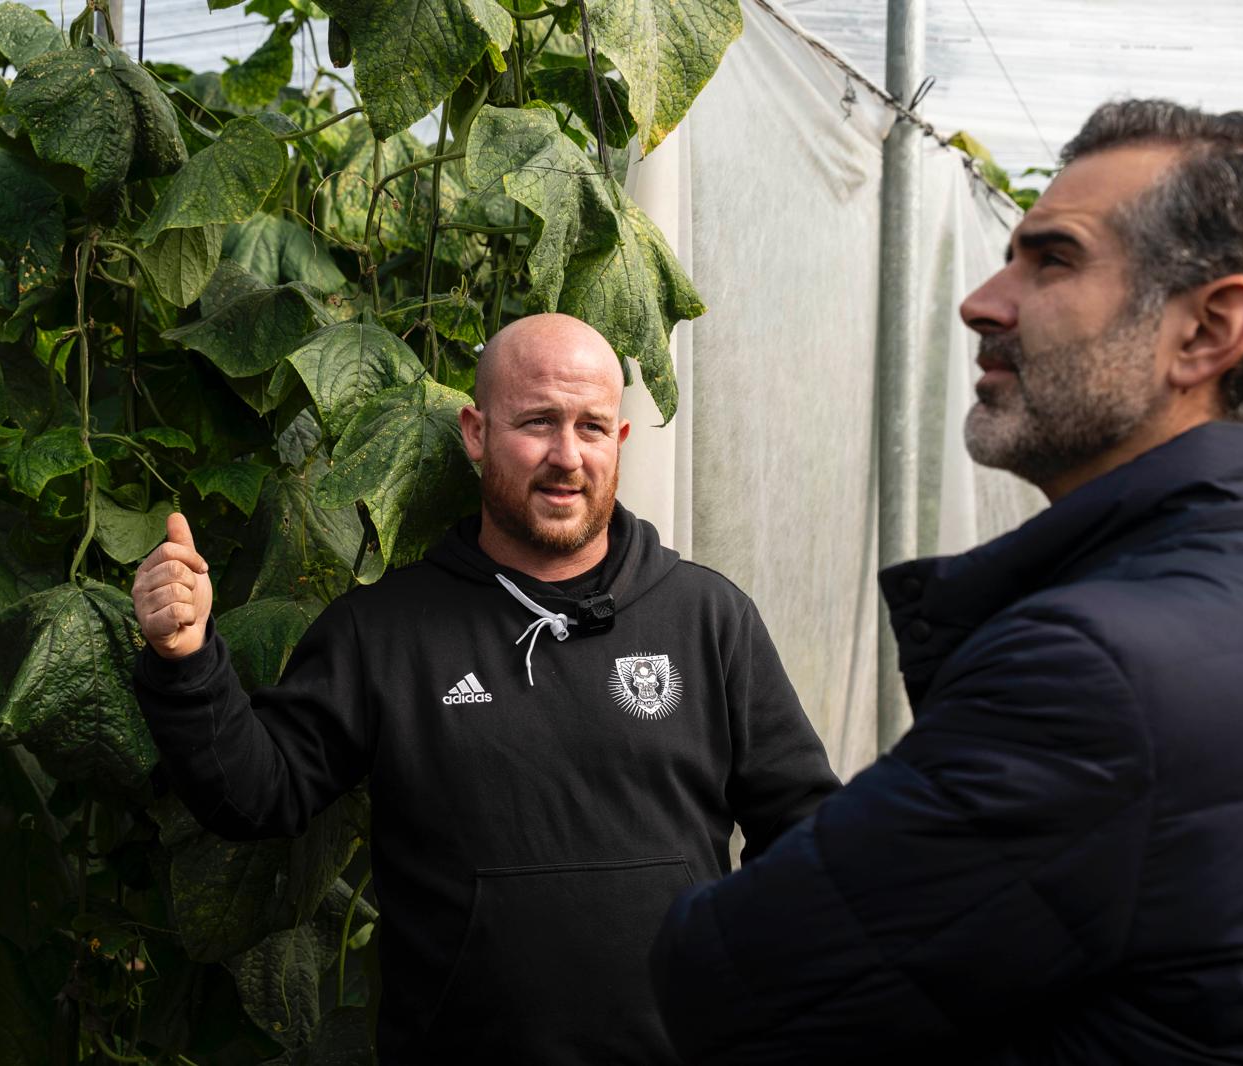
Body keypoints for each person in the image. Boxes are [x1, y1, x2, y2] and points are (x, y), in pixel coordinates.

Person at [651, 99, 1243, 1064]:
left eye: (1052, 259)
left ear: (1208, 330)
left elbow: (727, 982)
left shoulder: (1091, 674)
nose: (983, 299)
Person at [131, 313, 838, 1064]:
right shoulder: (384, 631)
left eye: (592, 427)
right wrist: (186, 659)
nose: (567, 456)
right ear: (475, 431)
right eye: (537, 422)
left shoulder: (708, 618)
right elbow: (255, 797)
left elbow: (807, 830)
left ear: (620, 442)